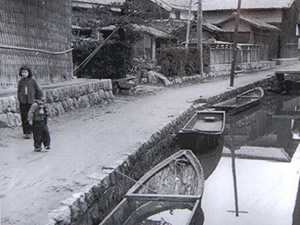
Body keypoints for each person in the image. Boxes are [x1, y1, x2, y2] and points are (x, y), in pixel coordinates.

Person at [17, 66, 43, 139]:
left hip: (31, 101)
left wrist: (39, 99)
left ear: (29, 73)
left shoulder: (33, 81)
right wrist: (19, 98)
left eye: (25, 72)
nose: (24, 74)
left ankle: (33, 131)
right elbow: (19, 91)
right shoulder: (21, 82)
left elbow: (38, 90)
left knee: (32, 117)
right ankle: (26, 132)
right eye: (22, 72)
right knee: (24, 117)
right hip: (23, 102)